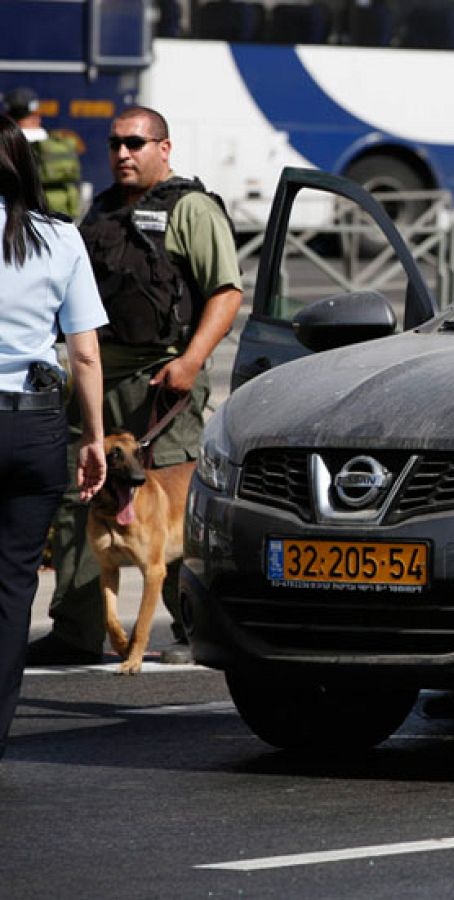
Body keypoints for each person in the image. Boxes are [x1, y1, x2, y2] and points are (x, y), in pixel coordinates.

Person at [25, 105, 241, 667]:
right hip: (97, 380)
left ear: (163, 149)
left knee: (170, 506)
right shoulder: (99, 211)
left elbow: (225, 292)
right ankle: (76, 628)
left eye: (135, 143)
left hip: (161, 383)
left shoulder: (189, 209)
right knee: (82, 499)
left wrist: (192, 361)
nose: (122, 153)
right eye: (115, 143)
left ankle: (191, 628)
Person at [0, 114, 105, 756]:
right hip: (36, 422)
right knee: (14, 584)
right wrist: (92, 435)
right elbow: (85, 352)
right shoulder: (62, 239)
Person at [4, 87, 82, 222]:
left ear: (9, 113)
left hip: (25, 213)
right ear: (35, 114)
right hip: (59, 212)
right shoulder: (48, 139)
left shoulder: (10, 140)